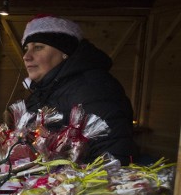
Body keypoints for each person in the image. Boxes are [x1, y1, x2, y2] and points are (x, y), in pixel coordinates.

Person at [21, 14, 138, 165]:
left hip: (82, 185)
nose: (26, 56)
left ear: (64, 52)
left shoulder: (93, 88)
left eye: (38, 47)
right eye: (26, 48)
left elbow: (114, 155)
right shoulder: (45, 90)